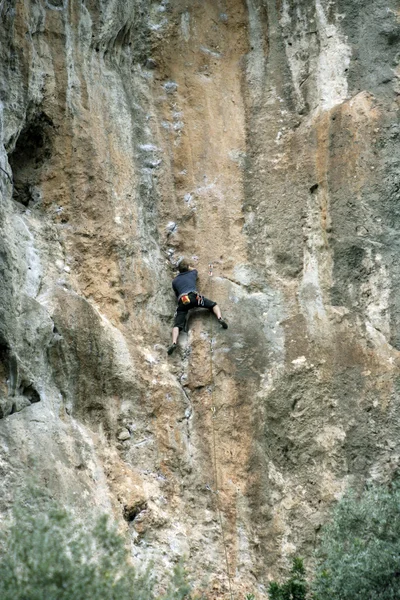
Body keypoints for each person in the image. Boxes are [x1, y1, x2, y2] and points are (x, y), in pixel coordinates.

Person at [167, 259, 228, 355]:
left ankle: (174, 342)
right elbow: (194, 269)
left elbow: (176, 293)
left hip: (183, 300)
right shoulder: (192, 273)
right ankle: (220, 318)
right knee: (213, 305)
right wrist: (189, 267)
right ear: (188, 267)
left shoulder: (174, 281)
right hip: (194, 296)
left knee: (177, 324)